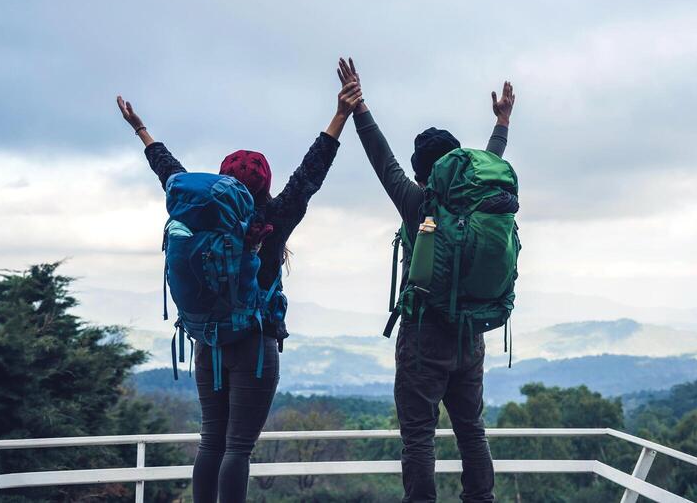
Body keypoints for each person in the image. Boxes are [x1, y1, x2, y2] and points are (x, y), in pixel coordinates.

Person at [115, 76, 363, 503]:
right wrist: (340, 114)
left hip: (208, 341)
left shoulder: (203, 215)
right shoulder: (274, 218)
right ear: (264, 186)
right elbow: (311, 173)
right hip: (254, 345)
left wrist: (141, 130)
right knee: (238, 448)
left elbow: (169, 172)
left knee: (211, 442)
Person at [335, 57, 513, 503]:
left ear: (423, 171)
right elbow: (491, 161)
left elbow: (381, 158)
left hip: (424, 336)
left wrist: (359, 108)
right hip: (470, 334)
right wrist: (503, 123)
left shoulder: (418, 204)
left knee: (418, 437)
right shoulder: (477, 202)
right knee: (472, 430)